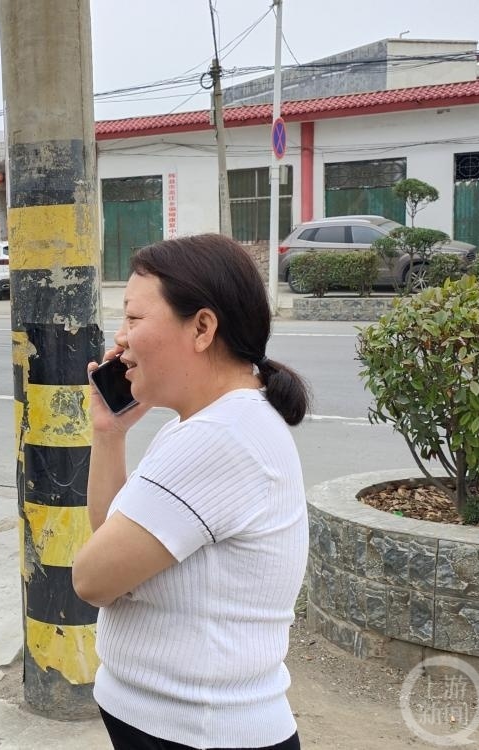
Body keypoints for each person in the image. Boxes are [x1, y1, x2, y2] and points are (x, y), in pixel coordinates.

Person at [73, 234, 309, 750]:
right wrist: (109, 434)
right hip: (184, 726)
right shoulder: (208, 424)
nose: (120, 337)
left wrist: (108, 573)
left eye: (135, 319)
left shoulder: (218, 438)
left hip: (200, 733)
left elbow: (92, 578)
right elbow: (116, 544)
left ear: (202, 327)